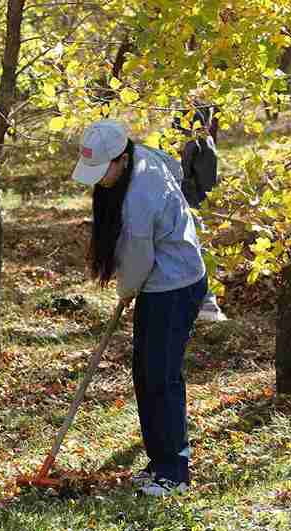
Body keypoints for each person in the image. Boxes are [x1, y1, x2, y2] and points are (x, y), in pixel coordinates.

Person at [72, 119, 207, 497]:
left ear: (121, 160)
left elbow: (137, 261)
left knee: (161, 376)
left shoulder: (138, 199)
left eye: (103, 170)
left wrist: (126, 291)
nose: (100, 180)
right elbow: (175, 169)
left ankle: (174, 472)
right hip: (157, 282)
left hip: (175, 285)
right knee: (146, 373)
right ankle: (159, 461)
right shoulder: (140, 157)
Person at [176, 105, 228, 322]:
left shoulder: (170, 138)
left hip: (169, 201)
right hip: (190, 203)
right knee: (200, 250)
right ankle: (208, 304)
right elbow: (207, 182)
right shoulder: (204, 142)